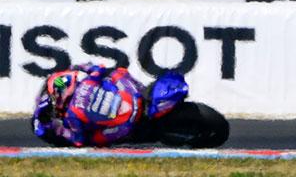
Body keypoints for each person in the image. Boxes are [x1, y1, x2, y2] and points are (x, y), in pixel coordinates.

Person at [32, 63, 190, 148]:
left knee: (91, 140)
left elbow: (78, 140)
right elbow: (98, 68)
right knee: (116, 73)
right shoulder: (88, 81)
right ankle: (148, 95)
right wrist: (81, 67)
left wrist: (59, 130)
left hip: (126, 125)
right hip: (134, 98)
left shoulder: (72, 117)